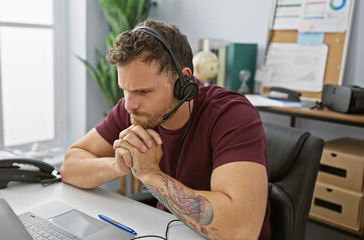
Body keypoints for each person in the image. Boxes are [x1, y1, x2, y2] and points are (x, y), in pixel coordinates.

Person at [61, 19, 271, 240]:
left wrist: (150, 175)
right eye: (125, 90)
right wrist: (118, 165)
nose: (129, 104)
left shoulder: (231, 115)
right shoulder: (134, 110)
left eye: (144, 91)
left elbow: (241, 230)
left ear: (184, 82)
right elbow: (70, 166)